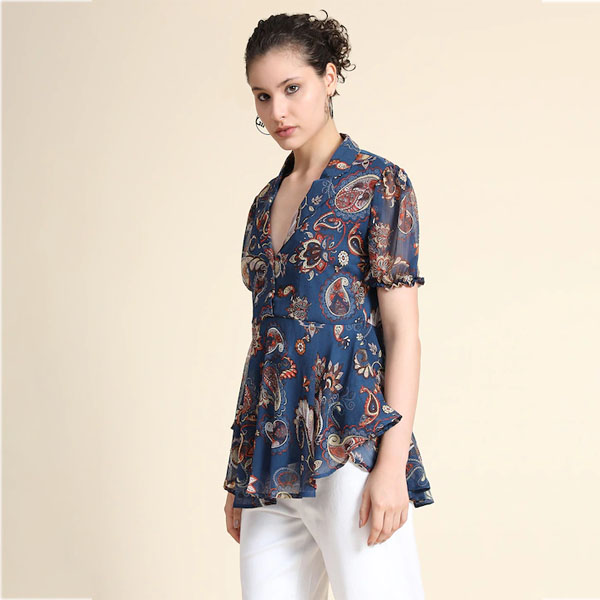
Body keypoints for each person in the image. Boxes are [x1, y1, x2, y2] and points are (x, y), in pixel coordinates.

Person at [223, 10, 434, 599]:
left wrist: (390, 466)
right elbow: (266, 341)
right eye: (263, 96)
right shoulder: (264, 203)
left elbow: (403, 334)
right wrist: (241, 468)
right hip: (271, 458)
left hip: (351, 449)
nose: (278, 111)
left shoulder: (379, 184)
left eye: (292, 88)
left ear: (331, 77)